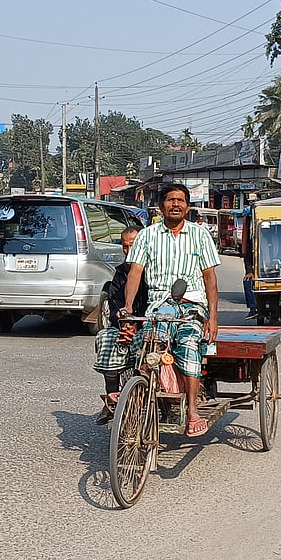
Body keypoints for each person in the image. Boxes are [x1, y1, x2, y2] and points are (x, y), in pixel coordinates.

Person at [123, 184, 221, 437]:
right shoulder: (147, 236)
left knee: (188, 344)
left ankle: (192, 410)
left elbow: (210, 279)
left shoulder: (200, 235)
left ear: (187, 207)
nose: (175, 204)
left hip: (192, 306)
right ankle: (139, 394)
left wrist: (213, 318)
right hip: (158, 306)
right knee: (147, 343)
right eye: (170, 200)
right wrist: (128, 307)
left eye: (180, 200)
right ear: (161, 206)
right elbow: (135, 273)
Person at [93, 227, 148, 424]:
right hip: (125, 325)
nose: (128, 251)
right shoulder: (120, 273)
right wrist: (125, 325)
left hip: (149, 326)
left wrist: (137, 325)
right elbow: (114, 303)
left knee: (149, 346)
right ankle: (112, 399)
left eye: (133, 246)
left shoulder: (154, 271)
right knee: (106, 337)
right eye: (125, 246)